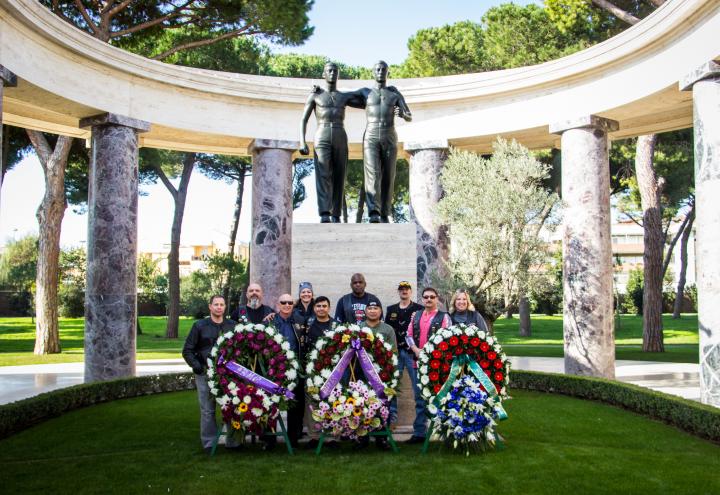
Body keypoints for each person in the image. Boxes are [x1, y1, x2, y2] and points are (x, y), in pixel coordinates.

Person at [299, 62, 365, 223]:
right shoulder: (315, 95)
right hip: (321, 135)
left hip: (340, 135)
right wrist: (302, 141)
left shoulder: (344, 97)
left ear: (338, 75)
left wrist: (390, 95)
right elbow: (304, 119)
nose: (333, 73)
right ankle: (324, 213)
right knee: (323, 174)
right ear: (324, 75)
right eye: (329, 71)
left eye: (335, 71)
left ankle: (336, 214)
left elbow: (367, 101)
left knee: (339, 175)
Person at [182, 295, 239, 453]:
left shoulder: (232, 326)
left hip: (228, 374)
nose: (219, 307)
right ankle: (209, 443)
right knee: (208, 409)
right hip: (206, 373)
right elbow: (187, 350)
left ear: (225, 307)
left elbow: (239, 349)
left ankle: (233, 441)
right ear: (210, 307)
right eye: (216, 304)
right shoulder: (199, 326)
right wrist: (198, 367)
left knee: (231, 406)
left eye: (222, 304)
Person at [359, 61, 412, 223]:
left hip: (390, 136)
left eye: (384, 69)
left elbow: (409, 115)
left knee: (389, 176)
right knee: (373, 174)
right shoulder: (365, 93)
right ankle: (374, 212)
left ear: (387, 72)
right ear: (373, 72)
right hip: (371, 136)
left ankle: (385, 212)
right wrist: (319, 92)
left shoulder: (394, 93)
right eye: (378, 69)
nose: (381, 72)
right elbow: (340, 97)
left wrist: (402, 114)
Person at [405, 287, 451, 444]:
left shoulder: (444, 317)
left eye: (432, 297)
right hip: (417, 363)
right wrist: (416, 350)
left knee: (440, 398)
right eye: (426, 297)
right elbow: (408, 335)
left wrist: (430, 352)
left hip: (437, 365)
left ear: (437, 299)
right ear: (422, 299)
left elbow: (447, 338)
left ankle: (444, 432)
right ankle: (419, 433)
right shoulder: (415, 316)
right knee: (419, 398)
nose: (429, 299)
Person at [357, 300, 397, 450]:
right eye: (370, 308)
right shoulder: (359, 328)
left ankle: (382, 439)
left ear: (380, 311)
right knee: (361, 404)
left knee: (382, 406)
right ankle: (362, 438)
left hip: (382, 375)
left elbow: (394, 352)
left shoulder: (388, 329)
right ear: (365, 311)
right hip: (362, 373)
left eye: (376, 308)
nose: (373, 311)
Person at [385, 281, 423, 425]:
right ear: (398, 291)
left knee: (418, 386)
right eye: (401, 289)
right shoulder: (391, 309)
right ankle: (391, 418)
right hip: (395, 353)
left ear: (411, 291)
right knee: (392, 385)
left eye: (407, 289)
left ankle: (420, 422)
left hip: (412, 352)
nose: (404, 291)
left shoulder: (418, 309)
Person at [303, 296, 338, 449]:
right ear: (314, 308)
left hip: (332, 370)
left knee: (332, 402)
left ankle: (332, 437)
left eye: (324, 306)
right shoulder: (308, 324)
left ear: (329, 308)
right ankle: (314, 436)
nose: (321, 308)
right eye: (318, 306)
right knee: (312, 403)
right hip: (312, 370)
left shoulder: (336, 325)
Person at [272, 294, 304, 449]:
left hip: (295, 370)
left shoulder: (299, 321)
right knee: (272, 403)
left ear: (293, 304)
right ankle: (269, 439)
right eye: (283, 302)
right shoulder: (270, 321)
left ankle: (294, 438)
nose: (286, 305)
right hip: (275, 370)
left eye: (290, 302)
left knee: (294, 404)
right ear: (278, 304)